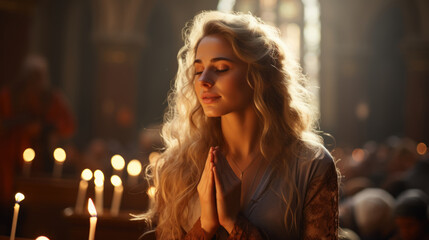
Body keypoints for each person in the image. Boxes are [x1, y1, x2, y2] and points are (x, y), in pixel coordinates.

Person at [138, 11, 339, 240]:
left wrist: (235, 224)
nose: (204, 80)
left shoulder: (311, 165)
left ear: (258, 76)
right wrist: (205, 225)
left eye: (221, 68)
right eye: (198, 70)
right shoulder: (178, 167)